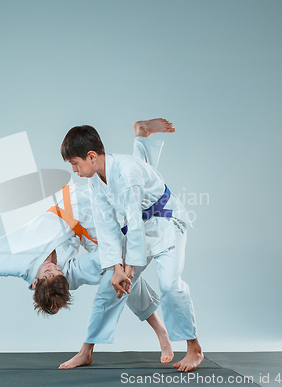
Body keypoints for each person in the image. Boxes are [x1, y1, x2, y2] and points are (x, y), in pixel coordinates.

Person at [0, 122, 174, 367]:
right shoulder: (66, 276)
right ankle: (142, 138)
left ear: (35, 281)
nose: (52, 267)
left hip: (76, 207)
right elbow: (106, 268)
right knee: (118, 279)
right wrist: (121, 268)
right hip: (91, 232)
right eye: (56, 271)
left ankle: (88, 349)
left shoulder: (18, 264)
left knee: (129, 189)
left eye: (49, 271)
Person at [60, 119, 203, 372]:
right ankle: (87, 350)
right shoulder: (95, 179)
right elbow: (107, 226)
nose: (74, 170)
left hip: (166, 221)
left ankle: (194, 348)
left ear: (91, 156)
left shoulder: (125, 173)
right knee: (111, 284)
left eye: (75, 163)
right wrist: (116, 267)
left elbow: (134, 223)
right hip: (139, 224)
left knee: (169, 284)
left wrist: (128, 268)